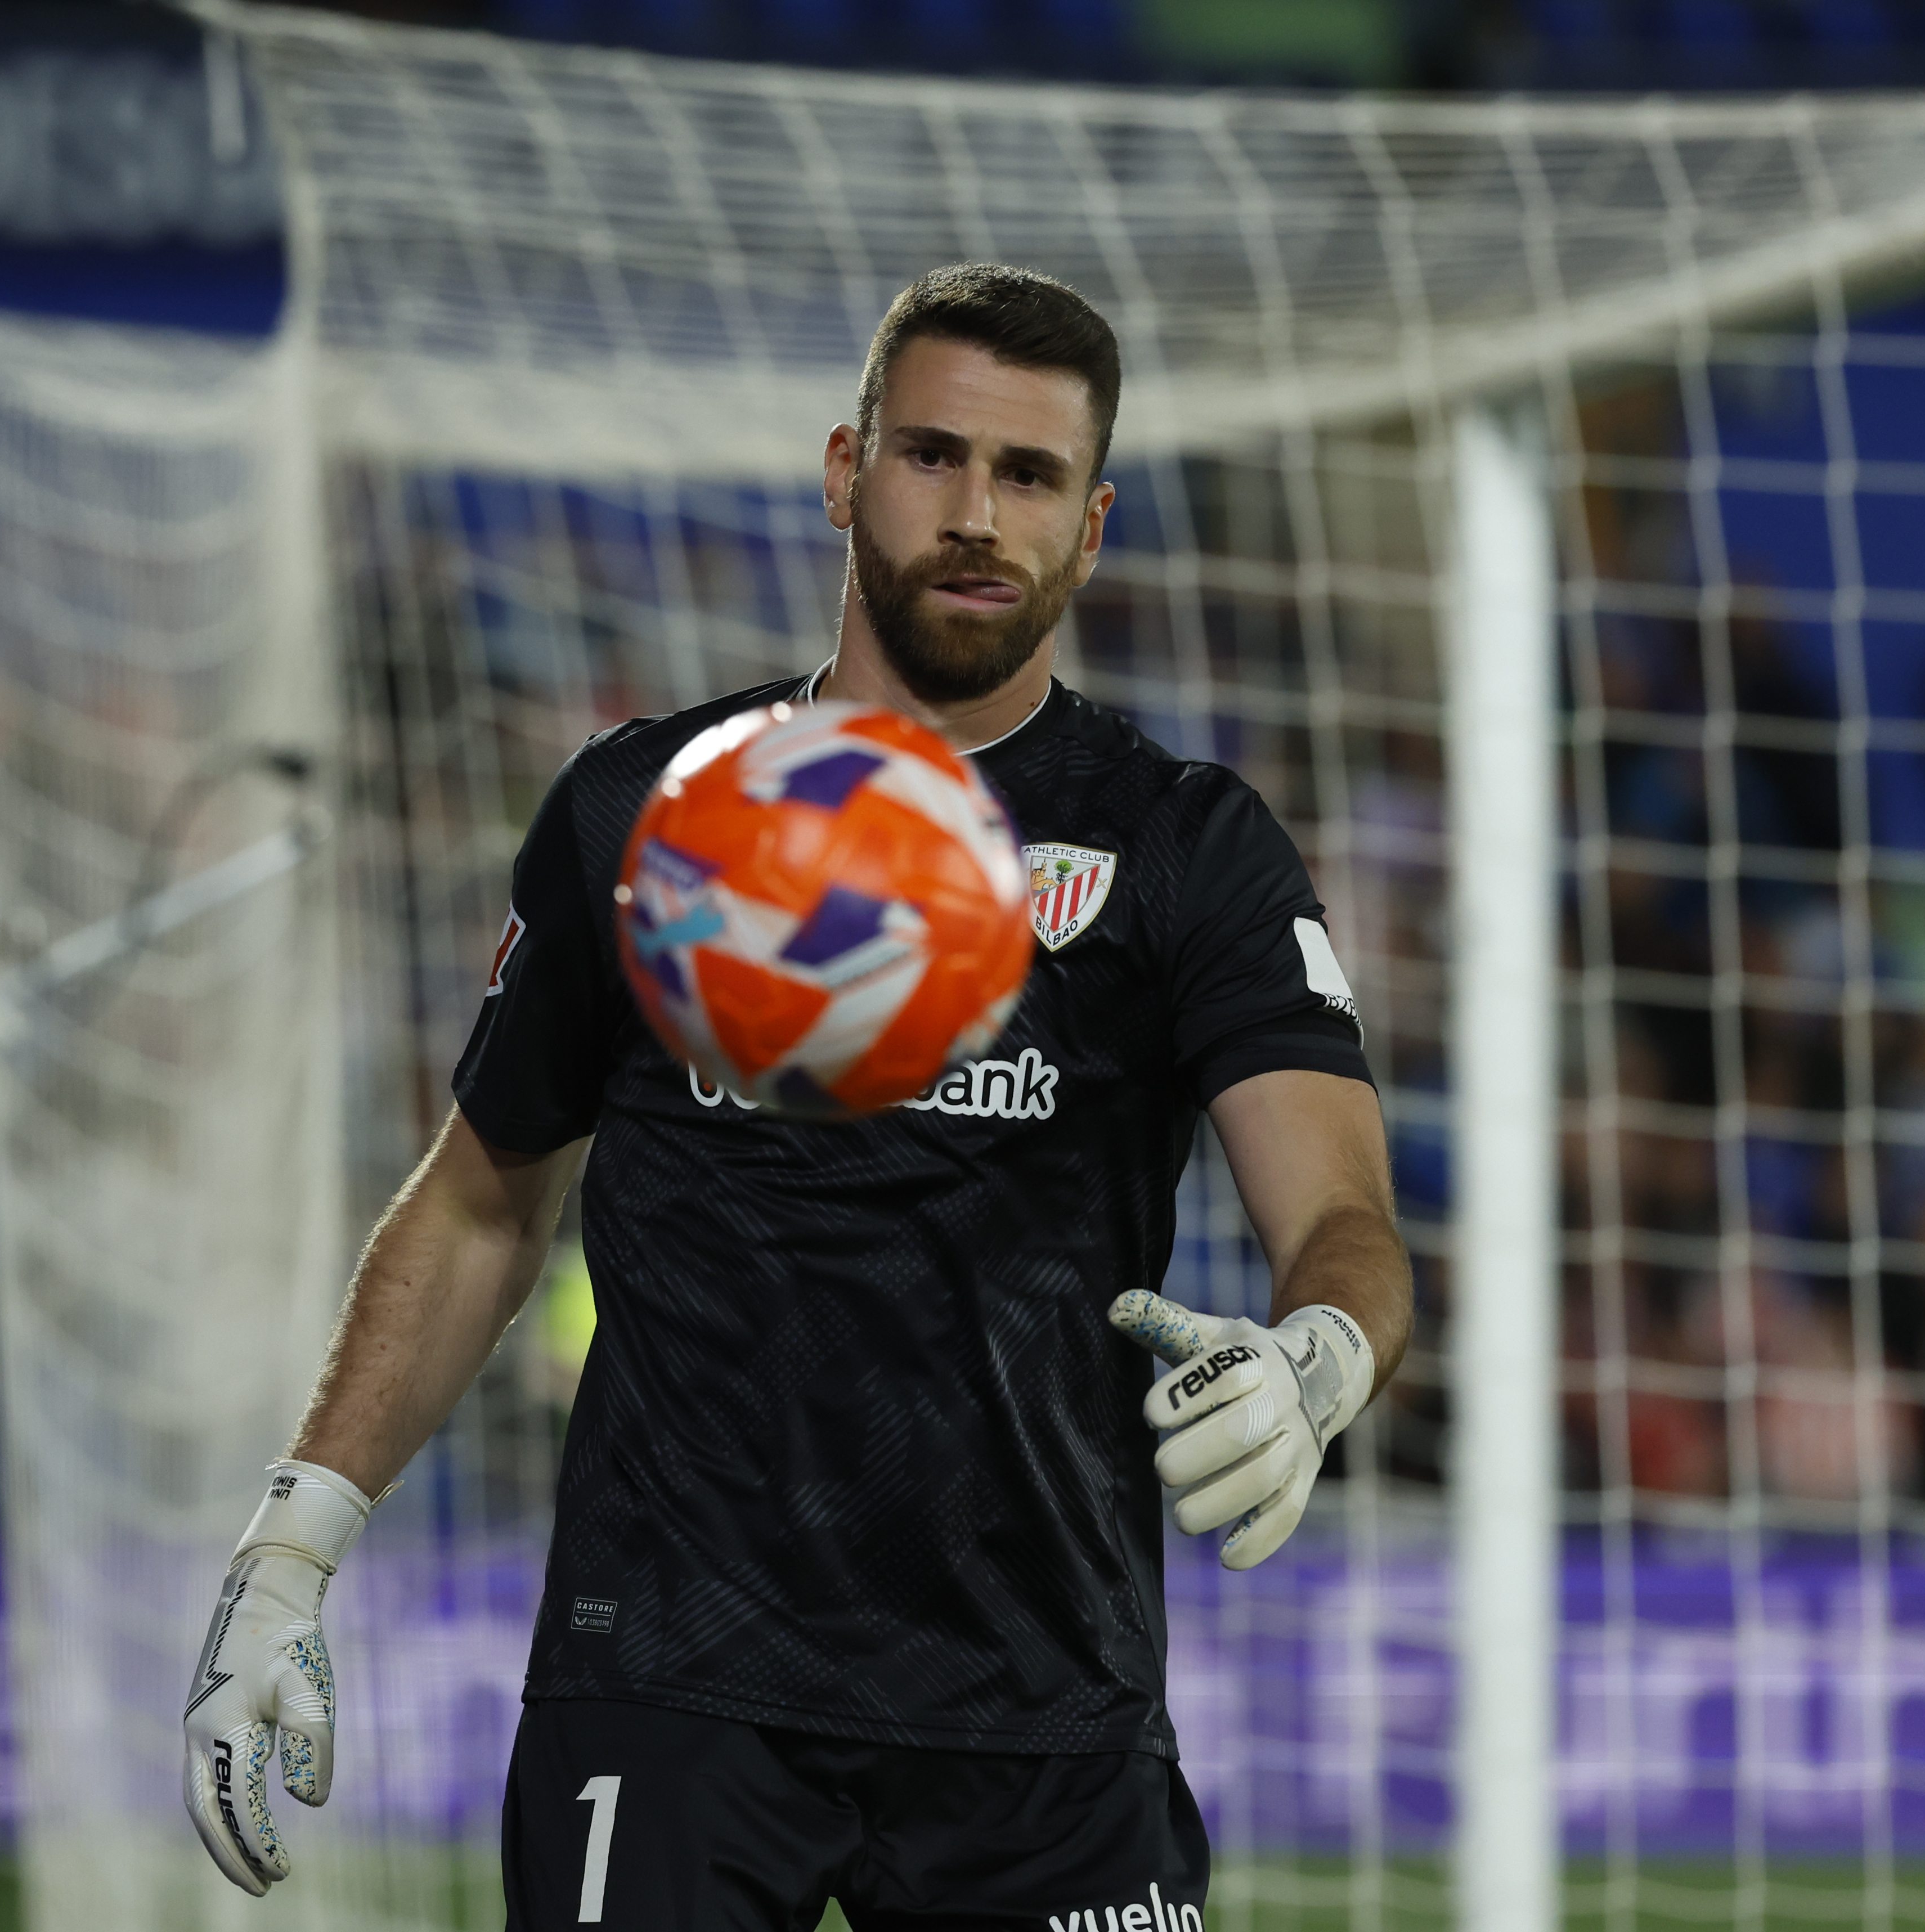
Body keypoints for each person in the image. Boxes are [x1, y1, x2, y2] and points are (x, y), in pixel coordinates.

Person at [180, 264, 1412, 1928]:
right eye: (934, 456)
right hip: (669, 1679)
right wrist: (292, 1544)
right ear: (846, 470)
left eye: (1030, 476)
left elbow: (1341, 1214)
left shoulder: (1187, 843)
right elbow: (484, 1196)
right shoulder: (647, 814)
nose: (977, 513)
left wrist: (1317, 1360)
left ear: (1094, 525)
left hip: (1044, 1702)